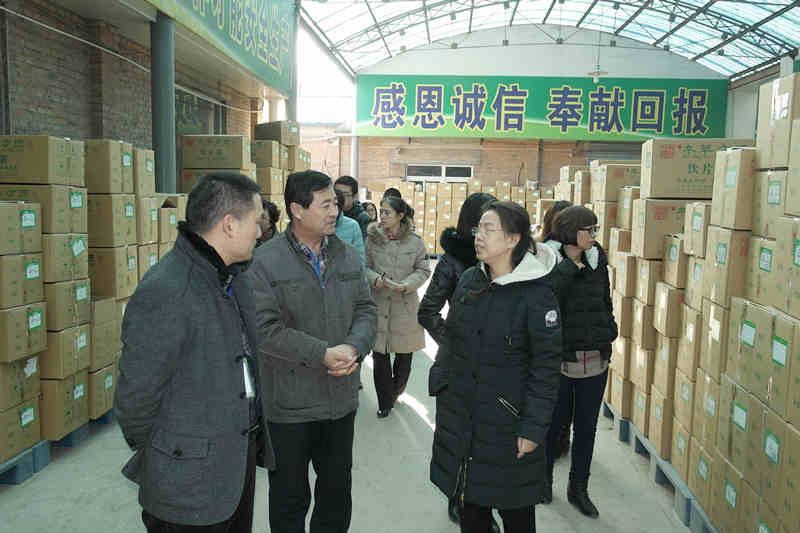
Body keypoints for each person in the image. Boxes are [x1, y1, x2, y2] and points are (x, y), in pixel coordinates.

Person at [115, 172, 274, 532]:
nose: (260, 231)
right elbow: (135, 400)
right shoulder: (169, 290)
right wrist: (170, 456)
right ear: (229, 225)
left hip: (235, 459)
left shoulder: (234, 277)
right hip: (187, 481)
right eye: (256, 221)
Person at [251, 170, 377, 533]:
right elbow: (264, 329)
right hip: (289, 406)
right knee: (289, 499)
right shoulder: (264, 262)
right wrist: (322, 353)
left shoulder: (347, 256)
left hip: (340, 401)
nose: (335, 211)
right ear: (297, 210)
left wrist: (354, 347)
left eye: (336, 203)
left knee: (336, 496)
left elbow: (366, 310)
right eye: (325, 205)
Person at [432, 201, 562, 533]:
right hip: (463, 417)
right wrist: (442, 381)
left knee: (516, 512)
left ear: (513, 239)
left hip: (508, 424)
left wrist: (533, 429)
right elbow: (452, 339)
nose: (478, 236)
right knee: (470, 510)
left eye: (489, 230)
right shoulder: (470, 280)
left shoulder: (537, 294)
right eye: (478, 228)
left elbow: (546, 369)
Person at [419, 192, 501, 531]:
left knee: (489, 441)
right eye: (483, 223)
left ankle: (483, 504)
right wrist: (455, 342)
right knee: (458, 439)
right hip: (459, 366)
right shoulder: (453, 261)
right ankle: (459, 497)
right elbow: (428, 310)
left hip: (496, 367)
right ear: (470, 225)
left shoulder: (504, 259)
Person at [543, 205, 618, 518]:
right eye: (589, 229)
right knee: (553, 426)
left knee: (586, 429)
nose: (594, 235)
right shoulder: (549, 259)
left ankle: (579, 489)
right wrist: (569, 268)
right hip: (562, 361)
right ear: (572, 232)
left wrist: (609, 330)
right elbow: (546, 301)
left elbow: (605, 300)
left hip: (596, 359)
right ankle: (543, 480)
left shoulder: (597, 259)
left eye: (595, 229)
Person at [365, 196, 431, 418]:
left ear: (400, 216)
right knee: (379, 355)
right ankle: (385, 402)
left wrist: (407, 285)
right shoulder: (372, 238)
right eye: (381, 211)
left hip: (404, 304)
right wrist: (375, 279)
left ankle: (396, 391)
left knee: (404, 356)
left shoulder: (415, 242)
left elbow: (423, 269)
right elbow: (364, 266)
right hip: (379, 303)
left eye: (387, 212)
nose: (382, 216)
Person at [538, 199, 573, 458]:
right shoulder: (544, 254)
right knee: (551, 392)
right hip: (550, 332)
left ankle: (560, 438)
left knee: (566, 396)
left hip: (572, 335)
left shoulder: (587, 254)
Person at [334, 189, 366, 266]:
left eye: (335, 206)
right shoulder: (317, 225)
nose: (331, 212)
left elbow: (360, 259)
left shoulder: (352, 226)